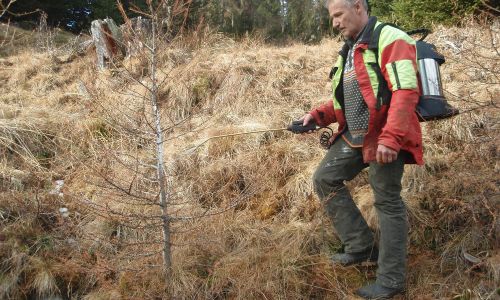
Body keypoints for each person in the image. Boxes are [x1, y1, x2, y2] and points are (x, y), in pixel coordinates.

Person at [300, 0, 423, 298]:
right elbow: (350, 98)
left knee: (387, 202)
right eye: (332, 18)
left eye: (338, 15)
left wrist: (391, 138)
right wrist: (317, 116)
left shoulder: (390, 38)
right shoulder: (351, 48)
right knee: (324, 179)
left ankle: (391, 281)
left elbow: (406, 91)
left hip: (384, 136)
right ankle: (361, 247)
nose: (335, 23)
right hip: (355, 136)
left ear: (358, 7)